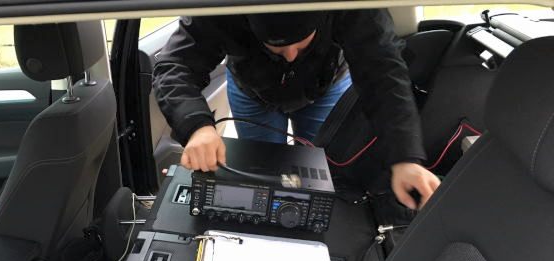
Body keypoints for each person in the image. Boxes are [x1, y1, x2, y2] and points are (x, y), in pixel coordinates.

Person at [153, 10, 440, 209]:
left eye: (301, 45)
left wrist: (404, 157)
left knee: (321, 177)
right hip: (251, 90)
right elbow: (174, 65)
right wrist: (197, 126)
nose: (290, 56)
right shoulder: (220, 11)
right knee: (258, 175)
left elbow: (383, 74)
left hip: (325, 86)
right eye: (277, 48)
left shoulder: (351, 9)